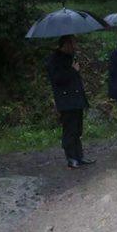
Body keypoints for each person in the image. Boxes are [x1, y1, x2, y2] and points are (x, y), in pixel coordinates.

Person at [46, 35, 95, 168]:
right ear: (66, 45)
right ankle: (71, 157)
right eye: (73, 43)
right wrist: (73, 70)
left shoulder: (71, 58)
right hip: (66, 100)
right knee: (69, 129)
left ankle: (79, 156)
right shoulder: (54, 59)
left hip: (77, 99)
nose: (75, 46)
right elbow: (57, 79)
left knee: (78, 129)